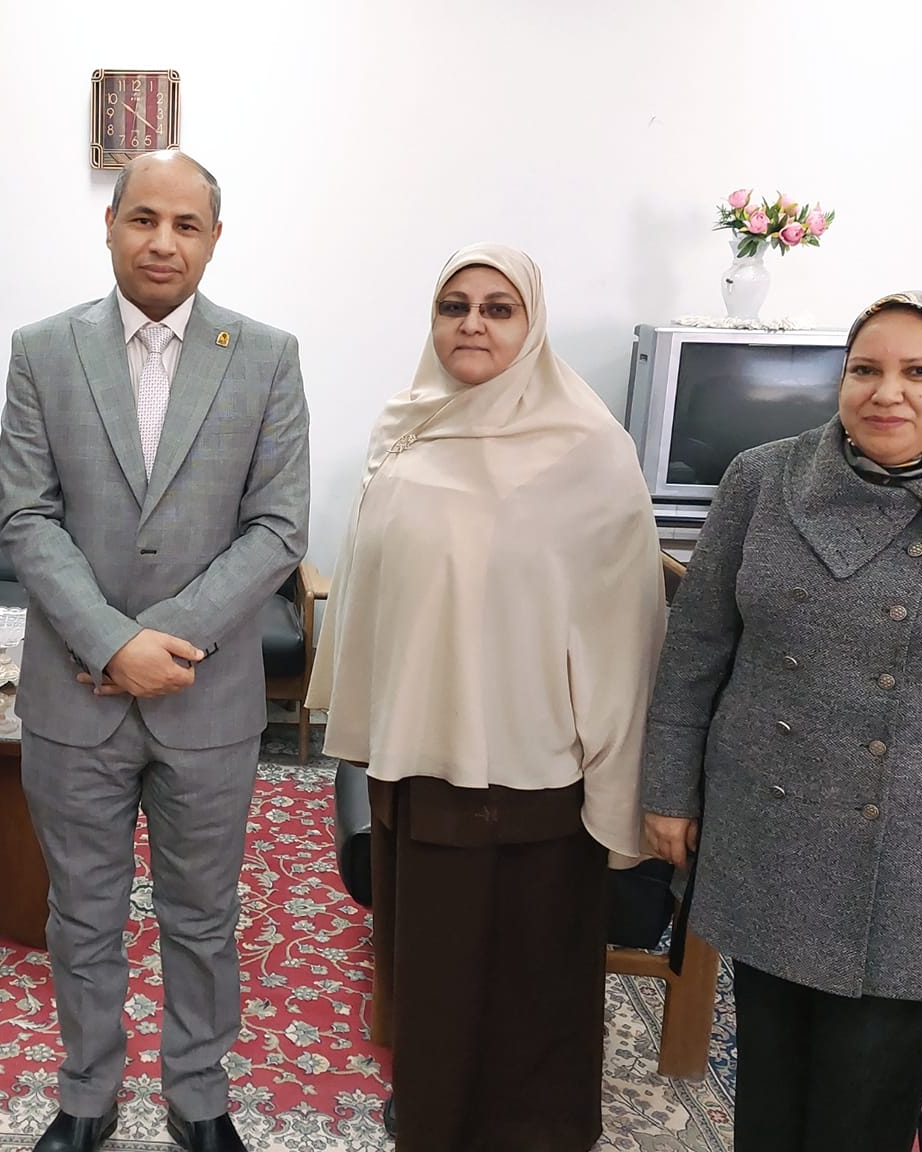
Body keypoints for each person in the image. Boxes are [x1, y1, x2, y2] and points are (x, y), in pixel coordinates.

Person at [643, 292, 922, 1152]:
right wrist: (668, 788)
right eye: (865, 369)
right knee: (770, 1089)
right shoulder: (763, 479)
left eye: (917, 371)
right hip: (770, 826)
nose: (886, 392)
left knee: (865, 1105)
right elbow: (695, 648)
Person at [306, 244, 665, 1152]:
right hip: (419, 762)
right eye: (454, 305)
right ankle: (431, 1122)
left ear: (532, 326)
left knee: (532, 987)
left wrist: (621, 786)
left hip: (535, 777)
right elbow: (373, 589)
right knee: (431, 977)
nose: (472, 323)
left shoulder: (589, 451)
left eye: (499, 308)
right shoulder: (408, 429)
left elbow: (626, 634)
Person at [0, 150, 309, 1152]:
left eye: (185, 224)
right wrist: (109, 643)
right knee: (80, 914)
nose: (161, 242)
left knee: (202, 914)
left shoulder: (265, 356)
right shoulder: (43, 350)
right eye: (142, 219)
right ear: (110, 225)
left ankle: (198, 1096)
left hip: (206, 698)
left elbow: (277, 527)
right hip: (73, 695)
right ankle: (85, 1095)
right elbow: (25, 517)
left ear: (213, 239)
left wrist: (158, 639)